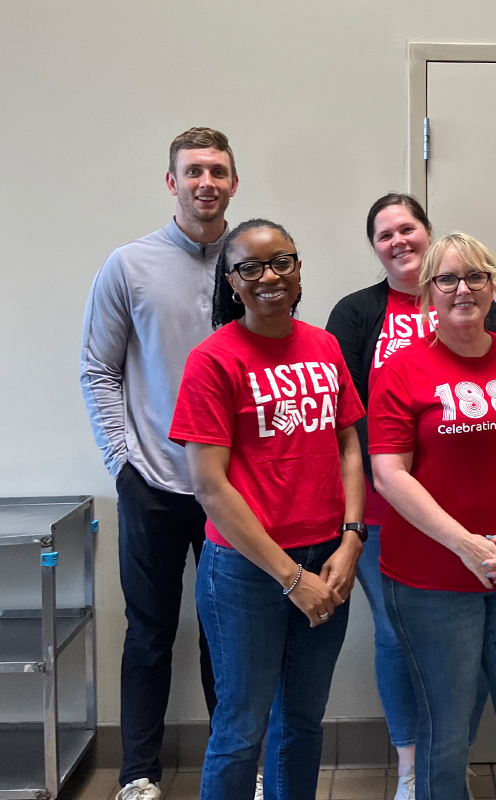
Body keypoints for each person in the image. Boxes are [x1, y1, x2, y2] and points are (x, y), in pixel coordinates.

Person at [370, 232, 496, 800]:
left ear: (493, 287)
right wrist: (466, 544)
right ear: (427, 294)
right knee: (445, 735)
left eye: (477, 277)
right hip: (432, 581)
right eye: (448, 279)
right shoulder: (402, 370)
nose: (464, 289)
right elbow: (390, 473)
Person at [169, 219, 366, 800]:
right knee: (240, 728)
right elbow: (209, 486)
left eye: (281, 261)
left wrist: (352, 538)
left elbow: (349, 444)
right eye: (250, 268)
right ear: (233, 283)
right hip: (247, 573)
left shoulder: (325, 346)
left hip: (328, 558)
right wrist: (291, 576)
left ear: (299, 268)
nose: (269, 277)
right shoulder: (213, 360)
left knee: (302, 723)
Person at [325, 194, 496, 798]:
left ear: (429, 234)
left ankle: (445, 760)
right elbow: (345, 417)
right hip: (385, 509)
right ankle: (410, 764)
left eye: (408, 229)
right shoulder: (356, 313)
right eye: (385, 234)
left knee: (472, 638)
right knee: (394, 635)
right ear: (374, 246)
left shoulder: (473, 300)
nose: (399, 241)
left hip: (471, 510)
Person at [80, 127, 238, 800]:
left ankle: (237, 768)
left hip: (232, 491)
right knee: (148, 633)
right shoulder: (129, 265)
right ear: (171, 183)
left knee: (228, 634)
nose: (206, 181)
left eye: (218, 170)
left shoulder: (254, 263)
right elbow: (98, 369)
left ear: (234, 183)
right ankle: (139, 774)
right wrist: (122, 460)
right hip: (151, 483)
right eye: (193, 170)